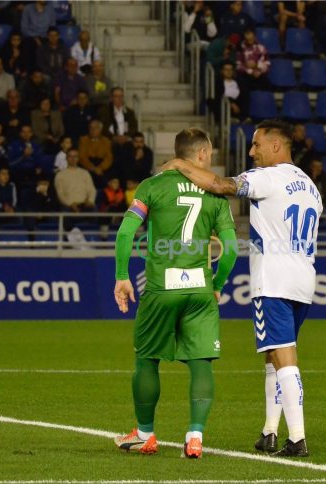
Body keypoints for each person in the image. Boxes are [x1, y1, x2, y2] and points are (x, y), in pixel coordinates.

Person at [161, 120, 323, 457]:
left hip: (274, 279)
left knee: (284, 358)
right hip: (304, 278)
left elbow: (220, 185)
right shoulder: (310, 187)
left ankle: (297, 438)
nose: (251, 151)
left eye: (257, 144)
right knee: (274, 355)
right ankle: (269, 431)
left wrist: (180, 164)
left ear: (276, 146)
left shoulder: (267, 177)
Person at [112, 128, 238, 458]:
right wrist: (217, 286)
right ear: (200, 154)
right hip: (199, 290)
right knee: (201, 363)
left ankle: (145, 434)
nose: (210, 159)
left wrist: (122, 277)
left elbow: (126, 233)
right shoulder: (215, 195)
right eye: (209, 154)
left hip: (161, 289)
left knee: (147, 359)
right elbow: (231, 250)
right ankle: (195, 437)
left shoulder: (152, 186)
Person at [54, 148, 97, 212]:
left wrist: (90, 201)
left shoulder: (85, 173)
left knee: (93, 208)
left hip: (84, 204)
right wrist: (70, 204)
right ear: (66, 158)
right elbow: (60, 194)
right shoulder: (60, 175)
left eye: (75, 156)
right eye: (70, 156)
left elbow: (92, 190)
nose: (73, 159)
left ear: (78, 158)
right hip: (68, 206)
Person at [79, 120, 114, 187]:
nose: (92, 130)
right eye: (91, 128)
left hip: (102, 166)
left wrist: (101, 167)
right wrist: (93, 168)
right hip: (88, 166)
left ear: (100, 129)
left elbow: (109, 158)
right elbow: (82, 157)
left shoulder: (107, 141)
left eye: (95, 128)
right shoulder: (83, 140)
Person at [236, 28, 271, 93]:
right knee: (242, 82)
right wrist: (251, 71)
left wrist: (257, 65)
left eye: (251, 39)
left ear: (254, 36)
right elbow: (238, 65)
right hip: (246, 74)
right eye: (248, 39)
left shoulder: (261, 48)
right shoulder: (240, 48)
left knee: (266, 84)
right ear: (244, 38)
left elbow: (267, 64)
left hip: (259, 73)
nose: (250, 41)